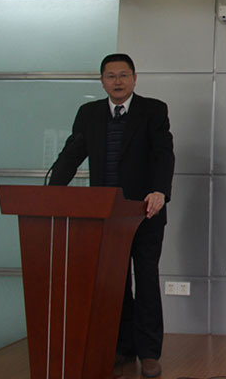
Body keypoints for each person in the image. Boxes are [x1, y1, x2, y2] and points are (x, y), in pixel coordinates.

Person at [50, 53, 174, 378]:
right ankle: (121, 348)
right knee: (114, 284)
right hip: (104, 215)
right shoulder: (89, 114)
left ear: (134, 78)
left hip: (144, 212)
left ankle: (149, 353)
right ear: (102, 81)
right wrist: (51, 192)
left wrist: (160, 191)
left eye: (123, 75)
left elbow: (164, 154)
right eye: (110, 76)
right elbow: (71, 155)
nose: (117, 81)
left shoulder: (153, 110)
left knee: (145, 280)